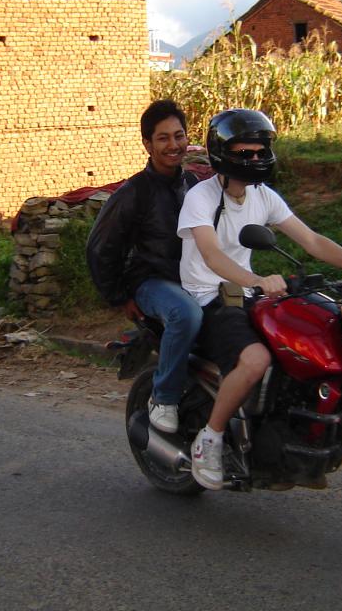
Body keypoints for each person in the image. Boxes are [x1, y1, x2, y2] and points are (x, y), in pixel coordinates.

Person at [177, 109, 342, 490]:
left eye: (259, 151)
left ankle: (291, 434)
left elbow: (313, 241)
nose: (254, 159)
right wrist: (255, 279)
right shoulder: (200, 198)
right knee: (256, 359)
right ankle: (211, 437)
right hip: (211, 297)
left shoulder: (263, 196)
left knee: (311, 340)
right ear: (224, 153)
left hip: (250, 293)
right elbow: (212, 255)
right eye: (245, 153)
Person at [86, 100, 202, 435]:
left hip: (193, 279)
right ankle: (163, 398)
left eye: (178, 136)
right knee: (186, 315)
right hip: (151, 282)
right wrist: (119, 296)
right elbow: (100, 247)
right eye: (163, 138)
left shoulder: (193, 184)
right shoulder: (134, 191)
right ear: (147, 145)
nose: (173, 145)